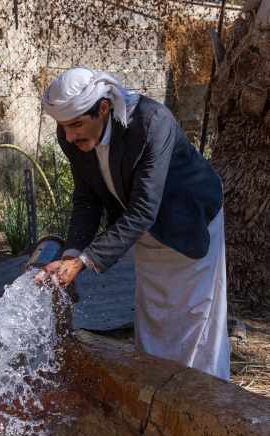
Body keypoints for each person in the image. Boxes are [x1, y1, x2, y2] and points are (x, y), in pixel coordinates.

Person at [38, 66, 231, 380]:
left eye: (76, 125)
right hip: (143, 226)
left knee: (196, 318)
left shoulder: (152, 122)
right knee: (155, 313)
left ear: (104, 108)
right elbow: (88, 198)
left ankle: (204, 390)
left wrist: (84, 262)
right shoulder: (71, 135)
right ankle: (158, 388)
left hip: (188, 216)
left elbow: (143, 210)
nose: (69, 136)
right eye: (63, 127)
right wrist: (71, 255)